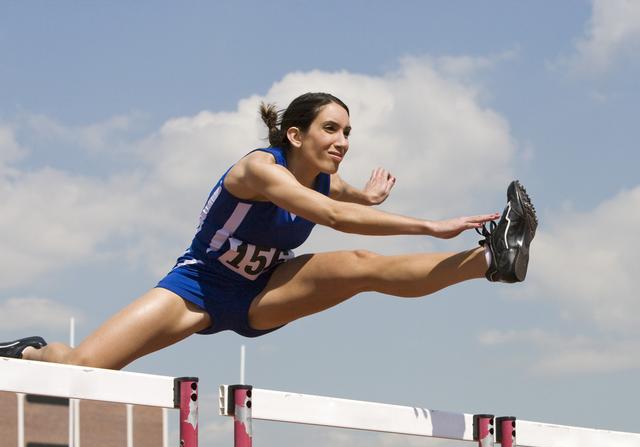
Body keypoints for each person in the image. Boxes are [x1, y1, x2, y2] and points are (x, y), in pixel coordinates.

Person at [0, 92, 537, 371]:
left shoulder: (325, 178)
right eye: (332, 129)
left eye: (349, 132)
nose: (343, 140)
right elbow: (330, 214)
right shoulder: (258, 169)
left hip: (263, 292)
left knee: (359, 267)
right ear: (295, 134)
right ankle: (28, 351)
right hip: (198, 288)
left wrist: (370, 195)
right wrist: (427, 225)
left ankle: (492, 259)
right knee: (83, 370)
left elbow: (345, 199)